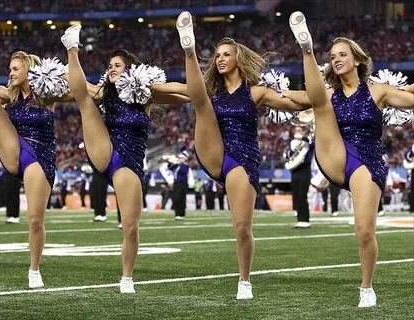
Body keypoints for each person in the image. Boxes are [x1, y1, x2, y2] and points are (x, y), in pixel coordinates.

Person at [172, 11, 307, 300]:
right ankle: (189, 50)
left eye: (226, 55)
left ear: (238, 59)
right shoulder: (212, 91)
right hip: (213, 151)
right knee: (201, 100)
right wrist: (141, 87)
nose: (220, 59)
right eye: (217, 55)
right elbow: (179, 90)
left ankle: (244, 279)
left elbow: (294, 101)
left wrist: (326, 95)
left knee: (242, 228)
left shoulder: (256, 92)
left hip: (242, 159)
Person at [287, 11, 414, 307]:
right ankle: (306, 49)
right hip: (333, 154)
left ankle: (367, 287)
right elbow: (300, 97)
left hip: (365, 161)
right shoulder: (329, 94)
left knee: (364, 230)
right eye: (332, 57)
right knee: (321, 102)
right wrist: (272, 93)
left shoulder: (378, 91)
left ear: (356, 59)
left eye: (342, 54)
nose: (336, 59)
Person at [61, 24, 189, 293]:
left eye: (117, 65)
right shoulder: (103, 92)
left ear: (130, 70)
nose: (111, 68)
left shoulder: (144, 95)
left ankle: (127, 277)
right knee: (84, 100)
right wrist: (66, 66)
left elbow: (180, 92)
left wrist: (205, 92)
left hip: (128, 163)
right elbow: (79, 86)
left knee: (130, 226)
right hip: (105, 151)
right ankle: (71, 47)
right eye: (109, 65)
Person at [0, 51, 68, 288]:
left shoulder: (46, 95)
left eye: (16, 68)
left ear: (29, 70)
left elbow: (75, 88)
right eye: (10, 68)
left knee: (35, 220)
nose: (11, 72)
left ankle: (34, 269)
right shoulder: (9, 95)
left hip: (39, 157)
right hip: (15, 151)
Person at [284, 126, 312, 228]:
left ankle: (305, 220)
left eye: (300, 130)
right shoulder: (292, 142)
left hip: (304, 171)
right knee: (296, 196)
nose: (298, 132)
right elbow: (287, 155)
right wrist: (293, 148)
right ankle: (300, 219)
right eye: (296, 130)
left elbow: (311, 150)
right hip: (294, 171)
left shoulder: (308, 143)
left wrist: (306, 140)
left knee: (302, 195)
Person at [171, 150, 194, 220]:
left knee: (181, 199)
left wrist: (177, 163)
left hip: (182, 184)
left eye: (181, 158)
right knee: (175, 199)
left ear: (185, 159)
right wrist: (171, 162)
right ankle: (177, 214)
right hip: (176, 183)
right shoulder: (177, 165)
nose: (179, 159)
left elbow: (182, 171)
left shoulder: (185, 166)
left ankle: (181, 214)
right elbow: (169, 168)